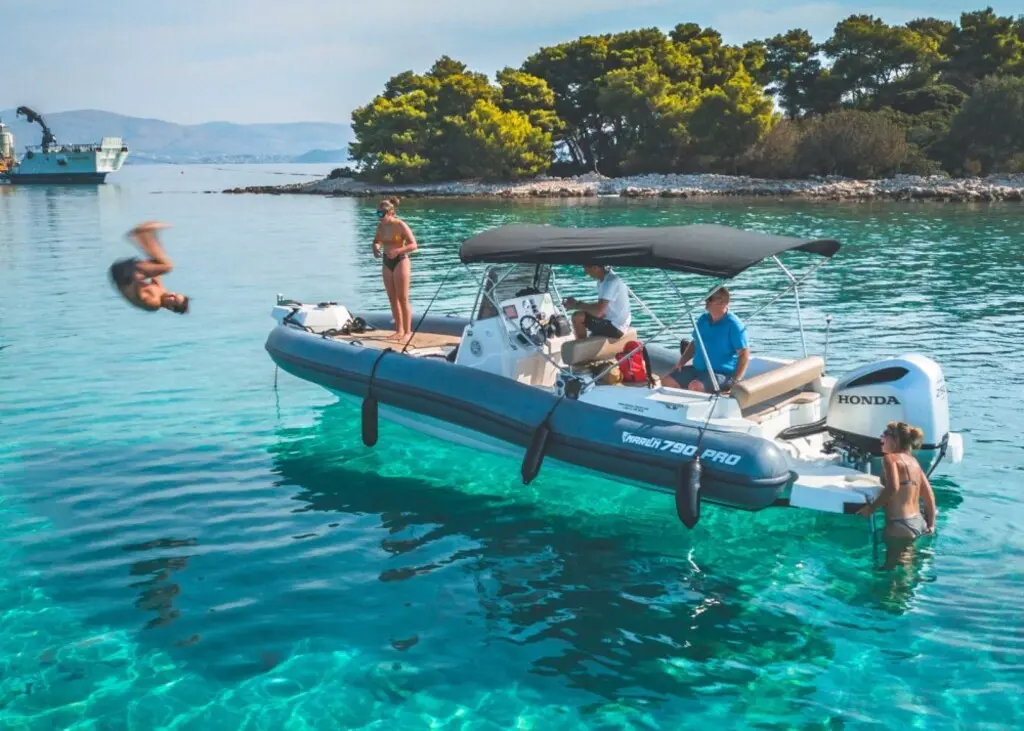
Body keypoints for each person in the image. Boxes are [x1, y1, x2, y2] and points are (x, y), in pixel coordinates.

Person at [858, 421, 937, 541]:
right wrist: (931, 525)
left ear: (896, 440)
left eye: (885, 434)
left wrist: (871, 509)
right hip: (919, 521)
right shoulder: (915, 463)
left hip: (899, 523)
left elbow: (893, 487)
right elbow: (929, 496)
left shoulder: (890, 458)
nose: (881, 437)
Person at [662, 287, 748, 393]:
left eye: (710, 298)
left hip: (721, 374)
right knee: (667, 381)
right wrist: (682, 361)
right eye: (706, 297)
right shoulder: (703, 319)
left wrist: (735, 380)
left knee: (695, 386)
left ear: (722, 302)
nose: (706, 301)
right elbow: (695, 343)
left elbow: (744, 354)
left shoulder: (734, 325)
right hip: (698, 370)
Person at [109, 221, 189, 314]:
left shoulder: (154, 303)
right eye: (175, 294)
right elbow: (157, 276)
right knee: (162, 264)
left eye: (174, 299)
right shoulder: (162, 292)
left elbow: (139, 295)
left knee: (168, 267)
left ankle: (141, 235)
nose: (172, 294)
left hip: (124, 277)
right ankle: (146, 235)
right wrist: (157, 264)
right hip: (126, 273)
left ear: (170, 307)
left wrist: (138, 278)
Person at [372, 197, 418, 341]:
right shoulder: (380, 226)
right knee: (392, 298)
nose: (379, 217)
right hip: (386, 261)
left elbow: (413, 245)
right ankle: (399, 330)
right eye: (377, 213)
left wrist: (398, 251)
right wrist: (375, 247)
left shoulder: (400, 225)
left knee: (402, 298)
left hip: (401, 260)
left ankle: (408, 332)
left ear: (391, 213)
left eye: (382, 214)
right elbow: (377, 241)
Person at [562, 264, 631, 340]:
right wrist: (576, 304)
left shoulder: (610, 282)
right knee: (585, 314)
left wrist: (576, 305)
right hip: (616, 322)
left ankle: (581, 344)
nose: (585, 272)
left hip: (616, 327)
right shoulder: (606, 280)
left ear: (595, 267)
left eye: (586, 269)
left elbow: (598, 312)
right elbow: (602, 306)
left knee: (577, 317)